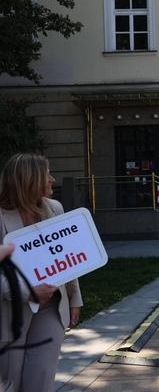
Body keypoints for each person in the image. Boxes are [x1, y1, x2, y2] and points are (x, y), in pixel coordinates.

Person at [0, 153, 83, 392]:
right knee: (10, 383)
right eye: (46, 174)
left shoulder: (54, 209)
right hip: (9, 313)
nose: (52, 180)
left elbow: (66, 257)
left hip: (51, 309)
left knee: (41, 379)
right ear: (28, 180)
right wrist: (27, 291)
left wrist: (74, 298)